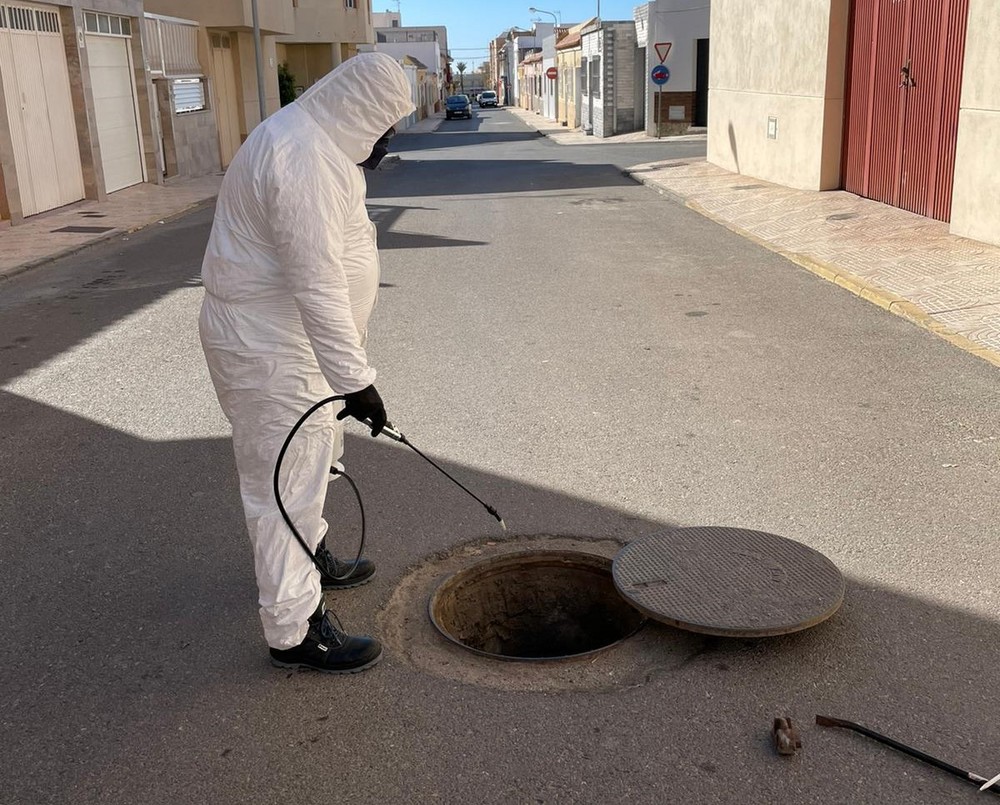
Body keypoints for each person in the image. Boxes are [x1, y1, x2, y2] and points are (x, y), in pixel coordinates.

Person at [198, 52, 415, 674]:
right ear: (360, 114)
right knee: (285, 483)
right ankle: (294, 629)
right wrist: (358, 383)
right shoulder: (302, 159)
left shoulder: (312, 141)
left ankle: (310, 558)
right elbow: (317, 282)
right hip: (269, 345)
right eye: (385, 128)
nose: (386, 141)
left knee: (309, 463)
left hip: (284, 340)